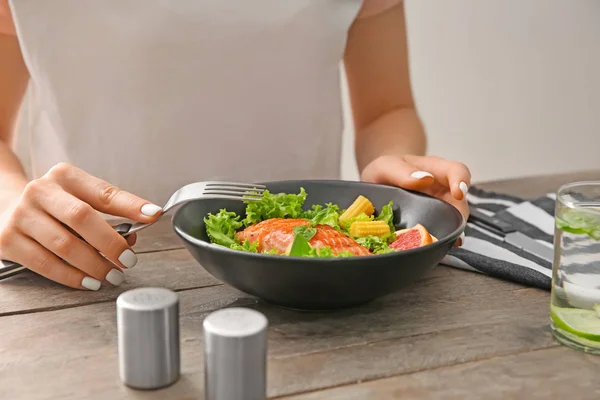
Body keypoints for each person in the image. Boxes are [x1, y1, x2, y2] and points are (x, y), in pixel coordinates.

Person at [0, 0, 470, 291]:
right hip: (89, 271)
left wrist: (396, 167)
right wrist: (7, 200)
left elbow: (387, 110)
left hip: (307, 286)